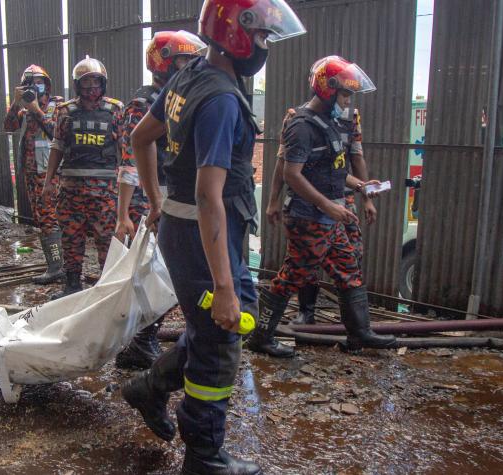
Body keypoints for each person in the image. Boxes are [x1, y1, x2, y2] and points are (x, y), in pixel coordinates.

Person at [121, 1, 305, 473]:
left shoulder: (190, 75)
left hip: (193, 233)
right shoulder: (221, 97)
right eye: (263, 35)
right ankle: (203, 456)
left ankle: (149, 387)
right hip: (205, 239)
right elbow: (209, 196)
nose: (265, 45)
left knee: (215, 329)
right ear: (237, 32)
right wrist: (223, 287)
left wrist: (158, 203)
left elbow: (142, 139)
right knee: (221, 341)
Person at [255, 56, 396, 357]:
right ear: (327, 89)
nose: (347, 101)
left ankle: (360, 333)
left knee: (348, 270)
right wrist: (324, 206)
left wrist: (361, 186)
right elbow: (291, 173)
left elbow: (333, 171)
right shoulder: (301, 126)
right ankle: (261, 335)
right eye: (344, 94)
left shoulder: (331, 124)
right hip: (308, 217)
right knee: (294, 274)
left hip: (329, 217)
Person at [114, 30, 206, 371]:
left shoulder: (180, 98)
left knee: (165, 272)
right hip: (151, 196)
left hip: (175, 196)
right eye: (183, 61)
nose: (189, 67)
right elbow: (130, 159)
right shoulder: (145, 102)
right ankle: (141, 341)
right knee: (160, 273)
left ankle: (141, 340)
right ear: (163, 62)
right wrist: (124, 213)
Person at [42, 57, 123, 300]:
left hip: (105, 192)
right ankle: (72, 286)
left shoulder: (116, 110)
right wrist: (48, 182)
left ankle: (108, 289)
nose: (91, 89)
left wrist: (128, 186)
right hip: (71, 191)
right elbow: (57, 146)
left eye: (95, 83)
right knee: (71, 238)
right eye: (85, 84)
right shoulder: (65, 111)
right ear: (78, 85)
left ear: (103, 84)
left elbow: (125, 148)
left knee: (107, 241)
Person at [4, 65, 65, 284]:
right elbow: (8, 126)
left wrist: (37, 110)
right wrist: (16, 101)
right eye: (29, 84)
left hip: (49, 174)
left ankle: (58, 267)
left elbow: (55, 132)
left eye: (38, 82)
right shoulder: (25, 111)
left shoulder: (57, 106)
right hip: (31, 173)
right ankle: (55, 265)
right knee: (42, 219)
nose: (34, 88)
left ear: (46, 86)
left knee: (50, 218)